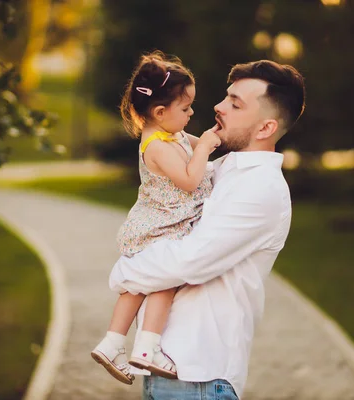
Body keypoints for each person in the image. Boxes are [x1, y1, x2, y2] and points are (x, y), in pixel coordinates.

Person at [109, 59, 306, 399]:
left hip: (200, 378)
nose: (218, 106)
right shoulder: (225, 168)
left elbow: (191, 262)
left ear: (264, 128)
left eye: (235, 103)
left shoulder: (261, 189)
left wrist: (125, 273)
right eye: (226, 96)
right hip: (175, 370)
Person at [91, 51, 221, 385]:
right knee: (162, 281)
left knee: (137, 285)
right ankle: (147, 348)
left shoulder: (171, 134)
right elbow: (189, 180)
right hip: (163, 227)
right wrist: (205, 147)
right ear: (161, 112)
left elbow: (198, 148)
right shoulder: (156, 146)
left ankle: (112, 343)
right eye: (186, 107)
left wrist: (212, 139)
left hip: (157, 225)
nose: (192, 113)